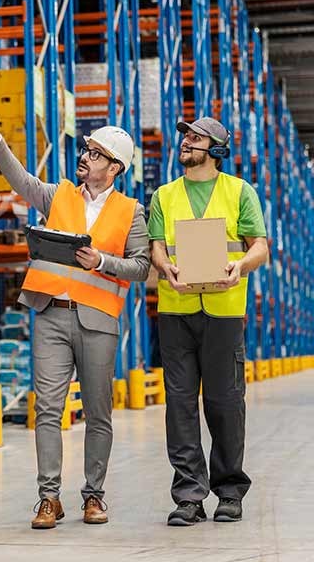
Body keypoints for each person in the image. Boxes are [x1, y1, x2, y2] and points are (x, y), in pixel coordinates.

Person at [0, 99, 150, 529]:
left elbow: (142, 266)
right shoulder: (59, 195)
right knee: (47, 409)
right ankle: (48, 498)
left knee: (98, 411)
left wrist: (102, 263)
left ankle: (94, 496)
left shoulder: (131, 212)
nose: (85, 158)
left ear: (115, 168)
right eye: (86, 152)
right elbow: (21, 180)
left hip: (98, 321)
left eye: (95, 154)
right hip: (50, 314)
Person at [148, 117, 268, 526]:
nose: (186, 143)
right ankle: (188, 497)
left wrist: (240, 265)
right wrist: (166, 269)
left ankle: (230, 491)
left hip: (225, 310)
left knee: (225, 404)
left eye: (195, 138)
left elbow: (260, 248)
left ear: (216, 149)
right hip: (176, 310)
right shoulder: (164, 195)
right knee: (179, 406)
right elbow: (157, 249)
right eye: (185, 137)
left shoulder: (239, 192)